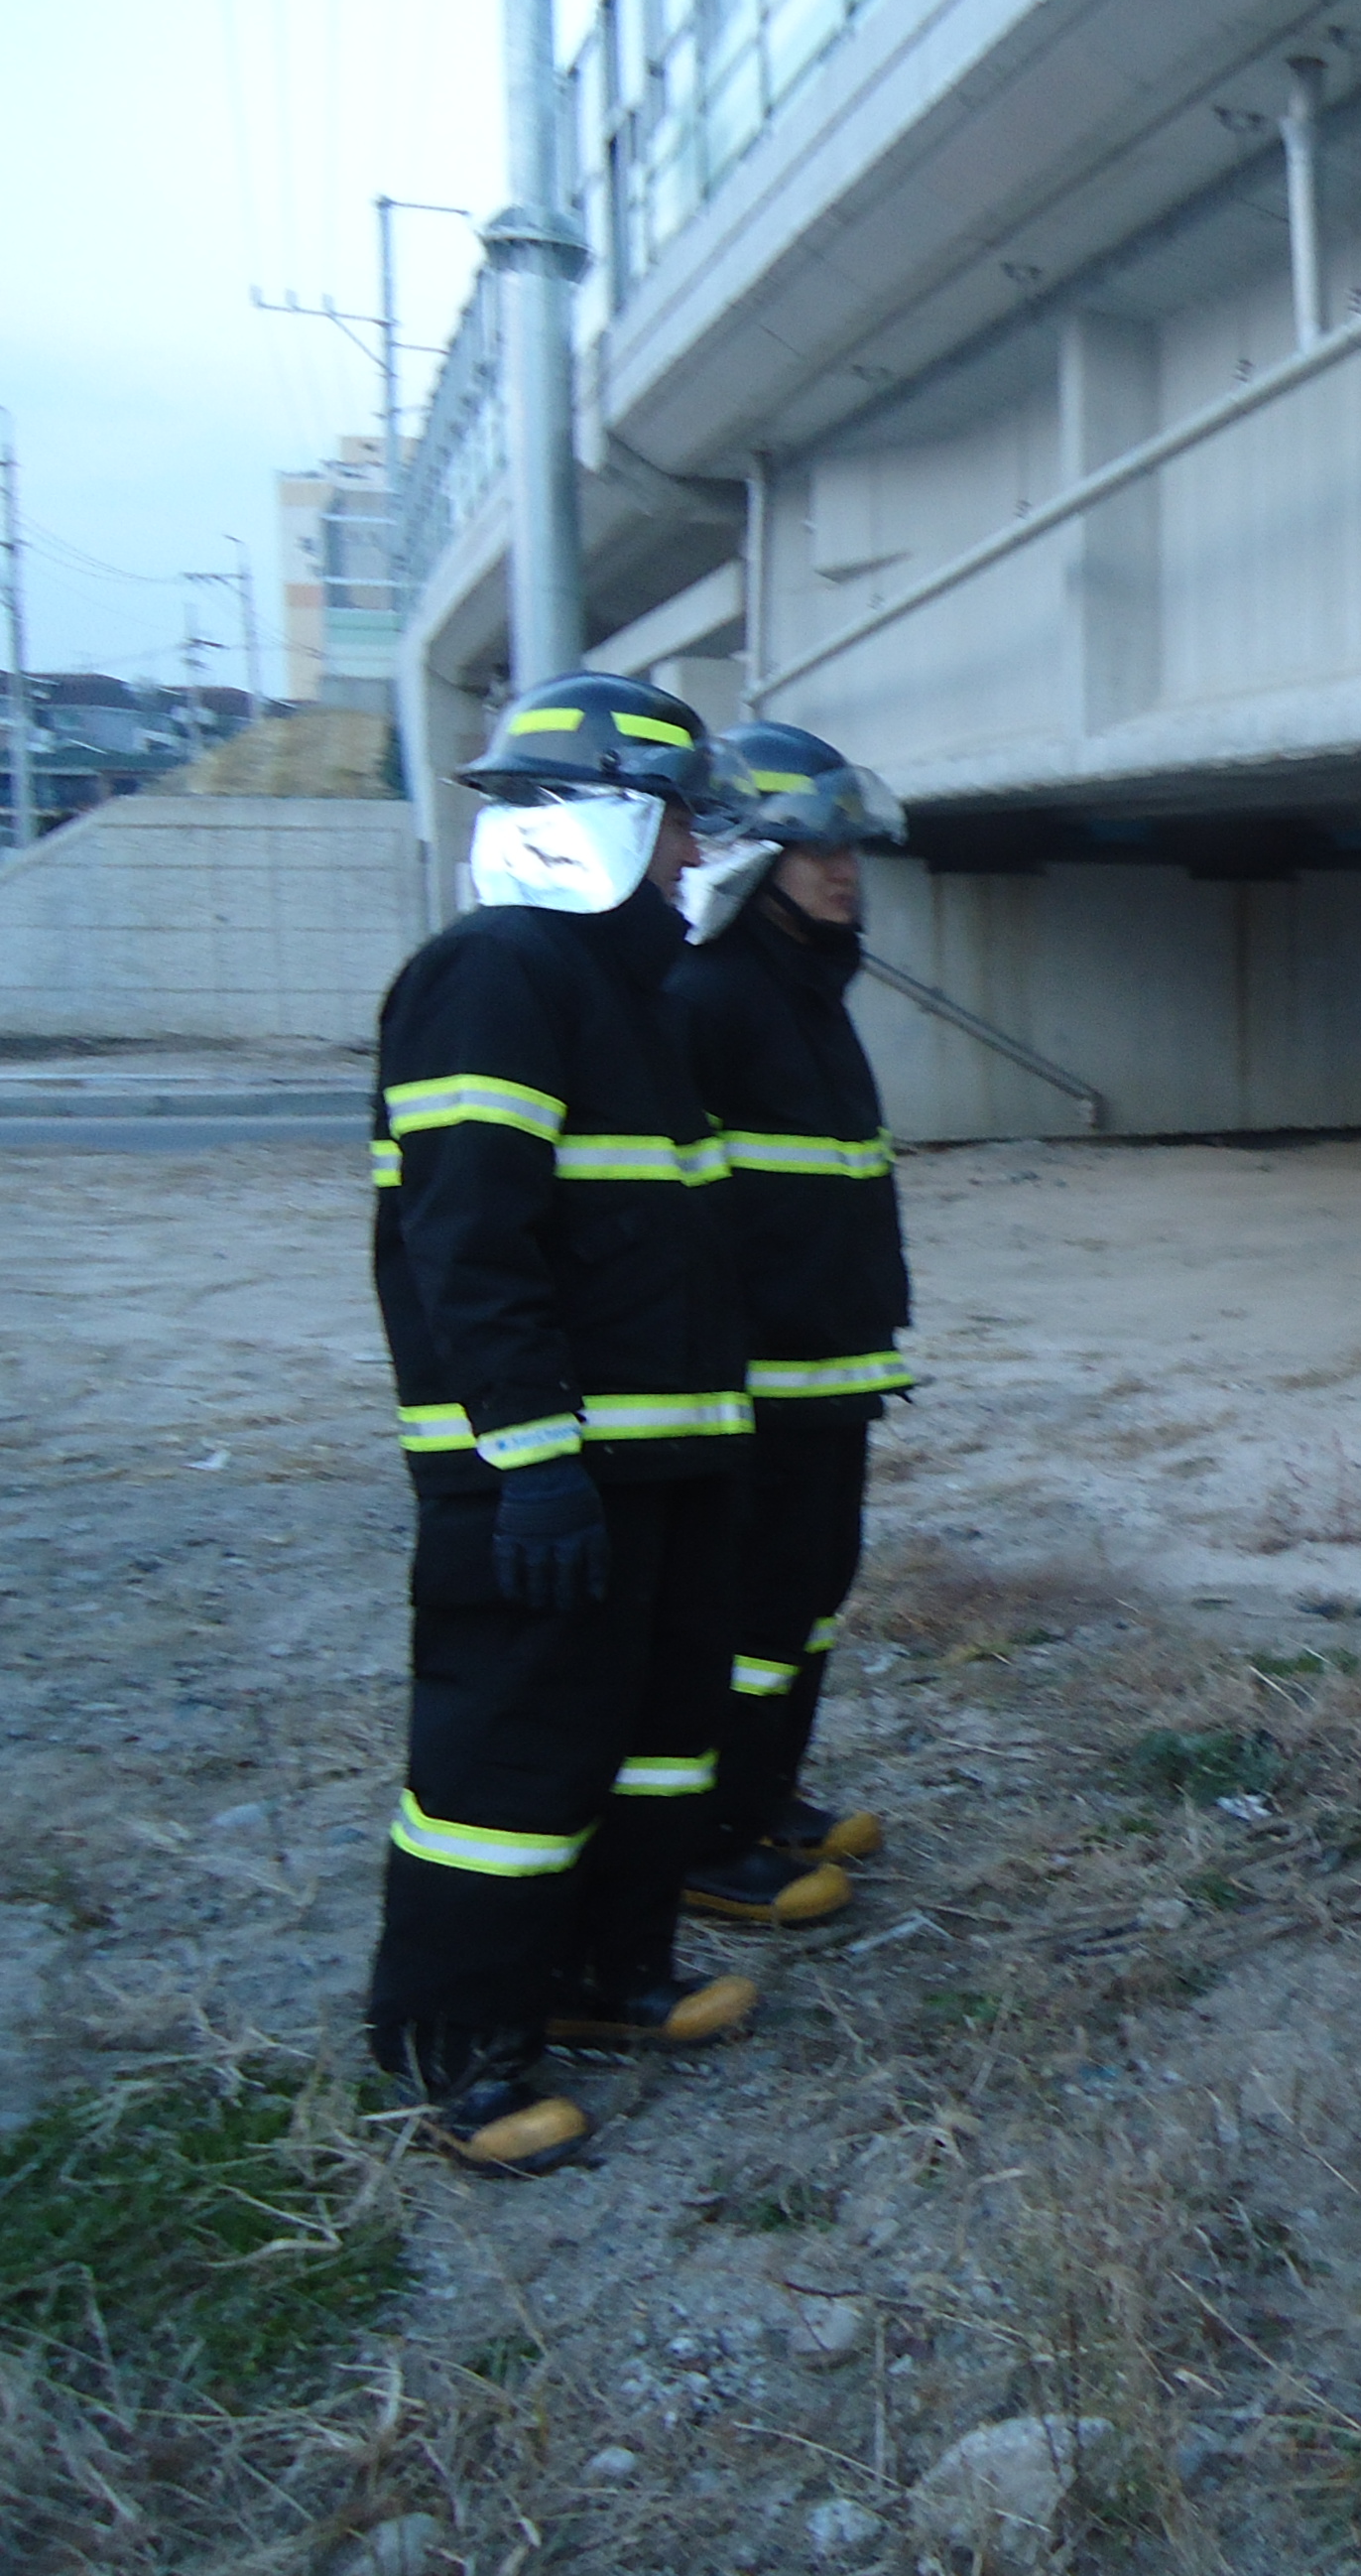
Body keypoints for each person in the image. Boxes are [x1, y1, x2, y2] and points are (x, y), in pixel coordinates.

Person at [365, 674, 798, 2176]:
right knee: (511, 1769)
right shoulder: (492, 975)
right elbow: (467, 1242)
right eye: (679, 825)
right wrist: (533, 1459)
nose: (694, 859)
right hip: (548, 1475)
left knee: (656, 1742)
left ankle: (608, 1975)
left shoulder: (628, 999)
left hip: (668, 1462)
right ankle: (455, 2055)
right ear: (598, 817)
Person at [666, 720, 913, 1921]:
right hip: (751, 1389)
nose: (843, 871)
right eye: (817, 850)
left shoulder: (808, 991)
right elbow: (680, 1220)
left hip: (829, 1373)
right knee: (746, 1613)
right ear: (749, 858)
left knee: (807, 1599)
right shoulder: (707, 996)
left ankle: (766, 1795)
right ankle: (706, 1840)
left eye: (851, 849)